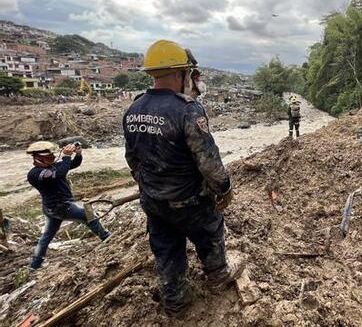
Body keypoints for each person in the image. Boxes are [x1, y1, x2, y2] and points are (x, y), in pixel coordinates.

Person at [123, 40, 242, 316]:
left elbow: (133, 159)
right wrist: (224, 189)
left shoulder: (134, 109)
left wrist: (151, 187)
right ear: (180, 74)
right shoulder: (187, 109)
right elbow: (207, 160)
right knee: (210, 228)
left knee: (166, 248)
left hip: (153, 201)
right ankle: (218, 275)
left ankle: (175, 300)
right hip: (189, 201)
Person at [26, 141, 111, 270]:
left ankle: (34, 266)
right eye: (49, 156)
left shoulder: (52, 167)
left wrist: (78, 154)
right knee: (87, 215)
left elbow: (73, 164)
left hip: (52, 208)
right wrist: (66, 156)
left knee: (46, 236)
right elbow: (59, 174)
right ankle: (106, 238)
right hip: (59, 207)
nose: (53, 158)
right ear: (38, 158)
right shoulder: (35, 173)